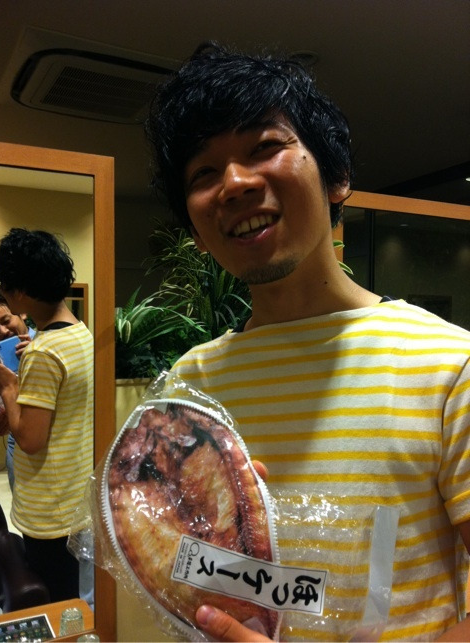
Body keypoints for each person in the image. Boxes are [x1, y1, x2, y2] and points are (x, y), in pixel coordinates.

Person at [145, 43, 470, 641]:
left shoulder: (448, 364)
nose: (234, 184)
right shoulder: (190, 385)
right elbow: (192, 576)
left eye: (264, 147)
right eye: (203, 174)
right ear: (196, 231)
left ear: (337, 177)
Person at [0, 228, 94, 604]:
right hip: (75, 494)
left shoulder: (42, 351)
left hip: (50, 510)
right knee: (76, 590)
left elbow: (31, 441)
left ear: (18, 292)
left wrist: (7, 386)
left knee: (58, 602)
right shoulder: (80, 333)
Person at [0, 286, 35, 490]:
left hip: (46, 438)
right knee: (19, 497)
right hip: (14, 440)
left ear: (20, 312)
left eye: (6, 321)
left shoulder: (45, 344)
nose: (2, 332)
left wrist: (37, 354)